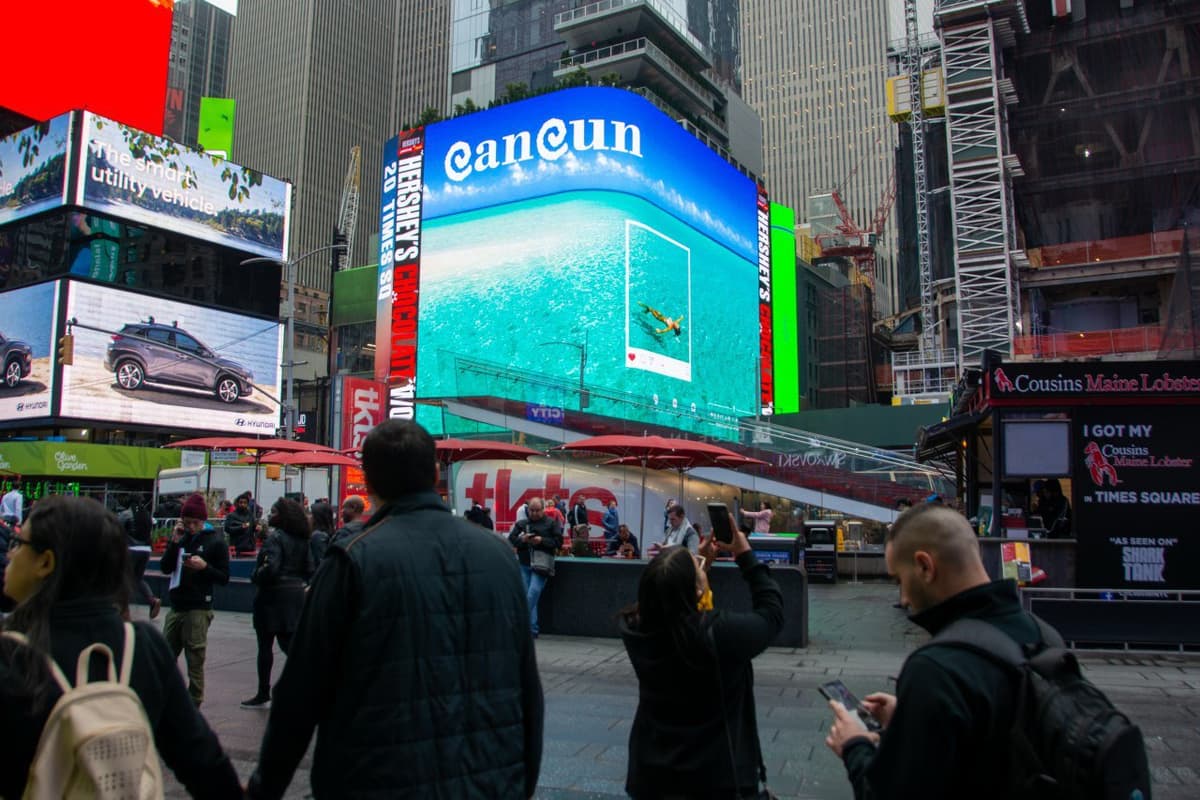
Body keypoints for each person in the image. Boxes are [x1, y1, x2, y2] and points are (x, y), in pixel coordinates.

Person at [247, 420, 543, 799]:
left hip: (376, 780)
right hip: (491, 781)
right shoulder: (498, 555)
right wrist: (521, 781)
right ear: (434, 473)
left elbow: (300, 694)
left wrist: (265, 788)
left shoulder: (352, 559)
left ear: (368, 481)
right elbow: (527, 686)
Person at [0, 495, 242, 798]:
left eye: (18, 543)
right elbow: (205, 764)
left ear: (45, 562)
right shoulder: (143, 646)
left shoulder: (12, 658)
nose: (10, 553)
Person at [824, 504, 1052, 799]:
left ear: (924, 566)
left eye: (899, 580)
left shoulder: (935, 668)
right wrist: (912, 717)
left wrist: (854, 746)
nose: (904, 599)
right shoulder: (1045, 635)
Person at [620, 514, 783, 798]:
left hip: (650, 776)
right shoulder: (720, 635)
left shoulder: (635, 628)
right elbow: (772, 614)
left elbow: (671, 596)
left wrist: (701, 564)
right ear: (697, 590)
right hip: (714, 780)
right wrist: (745, 555)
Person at [243, 498, 314, 709]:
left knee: (265, 646)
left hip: (272, 597)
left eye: (274, 512)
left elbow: (270, 569)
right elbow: (310, 569)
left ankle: (263, 692)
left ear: (282, 516)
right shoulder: (302, 540)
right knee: (290, 644)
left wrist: (256, 575)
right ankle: (307, 686)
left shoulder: (275, 539)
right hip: (294, 595)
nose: (270, 515)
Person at [160, 493, 229, 707]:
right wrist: (174, 542)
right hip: (177, 604)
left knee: (195, 657)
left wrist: (205, 567)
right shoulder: (182, 537)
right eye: (187, 522)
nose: (191, 527)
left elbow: (224, 577)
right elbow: (165, 567)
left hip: (198, 605)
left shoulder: (215, 542)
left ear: (203, 521)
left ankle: (194, 700)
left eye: (195, 523)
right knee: (164, 654)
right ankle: (165, 695)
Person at [507, 497, 563, 639]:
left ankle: (519, 622)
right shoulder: (522, 523)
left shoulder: (551, 523)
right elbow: (511, 540)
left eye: (537, 510)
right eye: (532, 510)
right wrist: (523, 539)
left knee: (533, 592)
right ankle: (531, 629)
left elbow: (558, 542)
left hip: (542, 564)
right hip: (525, 562)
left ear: (543, 509)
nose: (534, 513)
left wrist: (541, 540)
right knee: (530, 595)